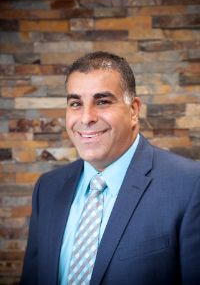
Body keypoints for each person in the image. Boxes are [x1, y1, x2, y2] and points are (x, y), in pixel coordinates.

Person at [20, 51, 200, 285]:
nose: (86, 118)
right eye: (76, 103)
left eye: (102, 101)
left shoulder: (189, 185)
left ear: (134, 110)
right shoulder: (47, 188)